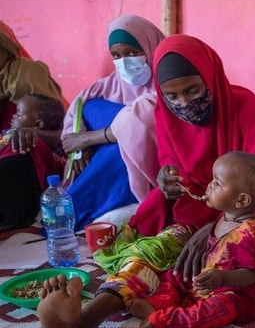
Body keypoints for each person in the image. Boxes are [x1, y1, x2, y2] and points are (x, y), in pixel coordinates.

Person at [37, 34, 255, 328]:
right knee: (152, 253)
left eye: (193, 91)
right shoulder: (166, 114)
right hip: (198, 211)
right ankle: (80, 327)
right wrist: (167, 184)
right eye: (171, 95)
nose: (183, 103)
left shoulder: (251, 112)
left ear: (211, 79)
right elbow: (180, 175)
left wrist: (216, 229)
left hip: (253, 214)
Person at [128, 151, 255, 328]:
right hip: (213, 277)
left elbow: (253, 275)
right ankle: (159, 302)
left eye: (218, 183)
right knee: (177, 273)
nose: (209, 185)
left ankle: (162, 322)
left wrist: (223, 279)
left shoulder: (251, 234)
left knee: (216, 310)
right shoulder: (227, 215)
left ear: (241, 201)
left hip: (238, 292)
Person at [61, 14, 165, 229]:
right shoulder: (109, 86)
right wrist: (79, 149)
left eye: (132, 53)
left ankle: (76, 209)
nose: (124, 62)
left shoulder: (168, 81)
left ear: (150, 47)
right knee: (91, 108)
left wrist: (87, 139)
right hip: (110, 152)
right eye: (116, 55)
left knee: (128, 143)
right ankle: (76, 208)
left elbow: (143, 122)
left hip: (150, 159)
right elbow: (78, 108)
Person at [0, 22, 65, 231]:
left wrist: (31, 132)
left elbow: (65, 133)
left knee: (26, 148)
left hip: (25, 162)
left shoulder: (25, 75)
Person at [0, 93, 65, 230]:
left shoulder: (43, 145)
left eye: (19, 114)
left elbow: (64, 136)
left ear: (38, 124)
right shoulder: (9, 133)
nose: (13, 116)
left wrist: (28, 132)